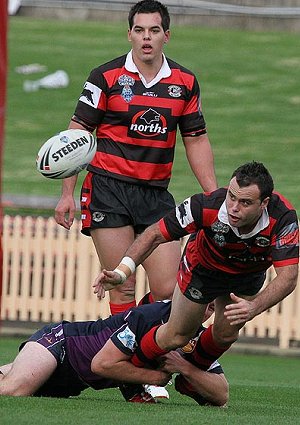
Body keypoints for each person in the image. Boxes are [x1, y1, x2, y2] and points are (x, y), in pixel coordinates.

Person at [54, 0, 217, 317]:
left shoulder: (184, 83)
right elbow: (76, 135)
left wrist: (213, 195)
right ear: (129, 34)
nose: (146, 37)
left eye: (154, 30)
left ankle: (144, 339)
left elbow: (195, 139)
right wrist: (66, 194)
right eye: (139, 30)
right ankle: (122, 359)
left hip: (155, 194)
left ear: (166, 35)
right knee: (121, 285)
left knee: (168, 288)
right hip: (108, 189)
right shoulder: (106, 77)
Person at [93, 161, 299, 371]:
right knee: (177, 336)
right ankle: (132, 370)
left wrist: (255, 307)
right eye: (232, 197)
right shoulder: (205, 205)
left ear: (264, 203)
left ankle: (189, 377)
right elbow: (154, 234)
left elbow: (288, 277)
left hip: (247, 276)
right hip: (203, 270)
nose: (234, 208)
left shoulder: (282, 218)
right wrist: (122, 272)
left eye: (245, 203)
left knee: (226, 335)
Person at [0, 301, 228, 407]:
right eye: (199, 303)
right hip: (61, 344)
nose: (201, 311)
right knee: (13, 390)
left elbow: (221, 394)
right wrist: (154, 378)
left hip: (73, 382)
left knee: (12, 379)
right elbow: (101, 365)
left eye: (210, 308)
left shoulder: (197, 339)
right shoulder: (150, 316)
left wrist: (185, 367)